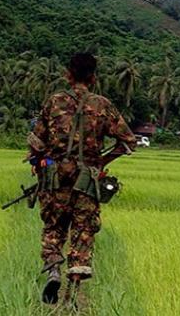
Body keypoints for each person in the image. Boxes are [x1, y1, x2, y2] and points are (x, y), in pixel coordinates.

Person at [26, 52, 136, 305]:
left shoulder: (54, 102)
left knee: (53, 227)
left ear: (68, 74)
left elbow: (36, 142)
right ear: (94, 78)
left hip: (55, 181)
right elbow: (128, 141)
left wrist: (39, 162)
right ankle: (73, 294)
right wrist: (101, 161)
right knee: (83, 232)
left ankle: (53, 271)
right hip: (87, 181)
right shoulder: (102, 105)